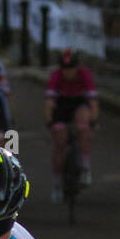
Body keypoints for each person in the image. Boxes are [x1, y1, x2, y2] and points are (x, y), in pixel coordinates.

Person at [43, 47, 97, 200]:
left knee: (83, 127)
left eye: (71, 68)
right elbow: (49, 102)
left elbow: (93, 101)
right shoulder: (56, 76)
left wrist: (93, 120)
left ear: (77, 67)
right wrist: (49, 121)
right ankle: (57, 183)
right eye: (65, 68)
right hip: (61, 106)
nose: (68, 72)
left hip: (79, 104)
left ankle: (85, 167)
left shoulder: (85, 75)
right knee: (60, 143)